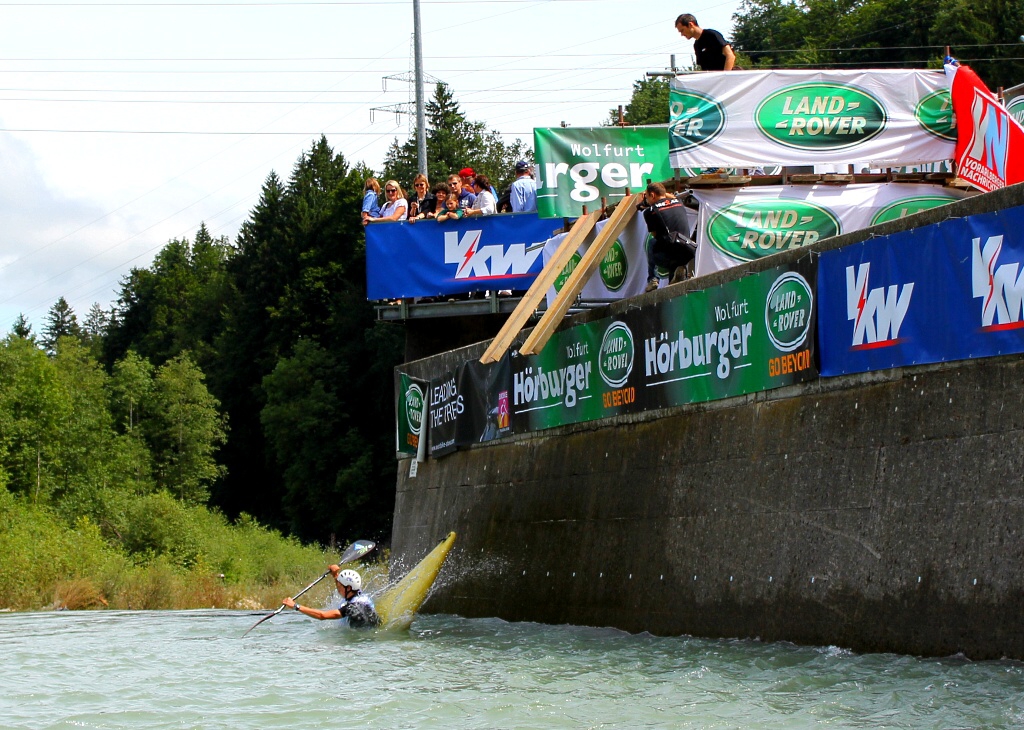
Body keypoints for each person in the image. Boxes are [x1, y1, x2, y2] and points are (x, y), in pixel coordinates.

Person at [640, 182, 696, 292]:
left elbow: (654, 234)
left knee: (653, 243)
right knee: (674, 271)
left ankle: (653, 279)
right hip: (687, 249)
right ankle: (680, 274)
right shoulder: (679, 202)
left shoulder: (649, 212)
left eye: (647, 196)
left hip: (670, 252)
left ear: (652, 195)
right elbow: (671, 198)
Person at [282, 566, 379, 629]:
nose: (337, 588)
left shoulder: (353, 607)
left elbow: (322, 616)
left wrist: (296, 606)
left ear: (348, 588)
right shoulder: (362, 596)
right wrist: (335, 575)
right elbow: (343, 586)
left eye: (340, 585)